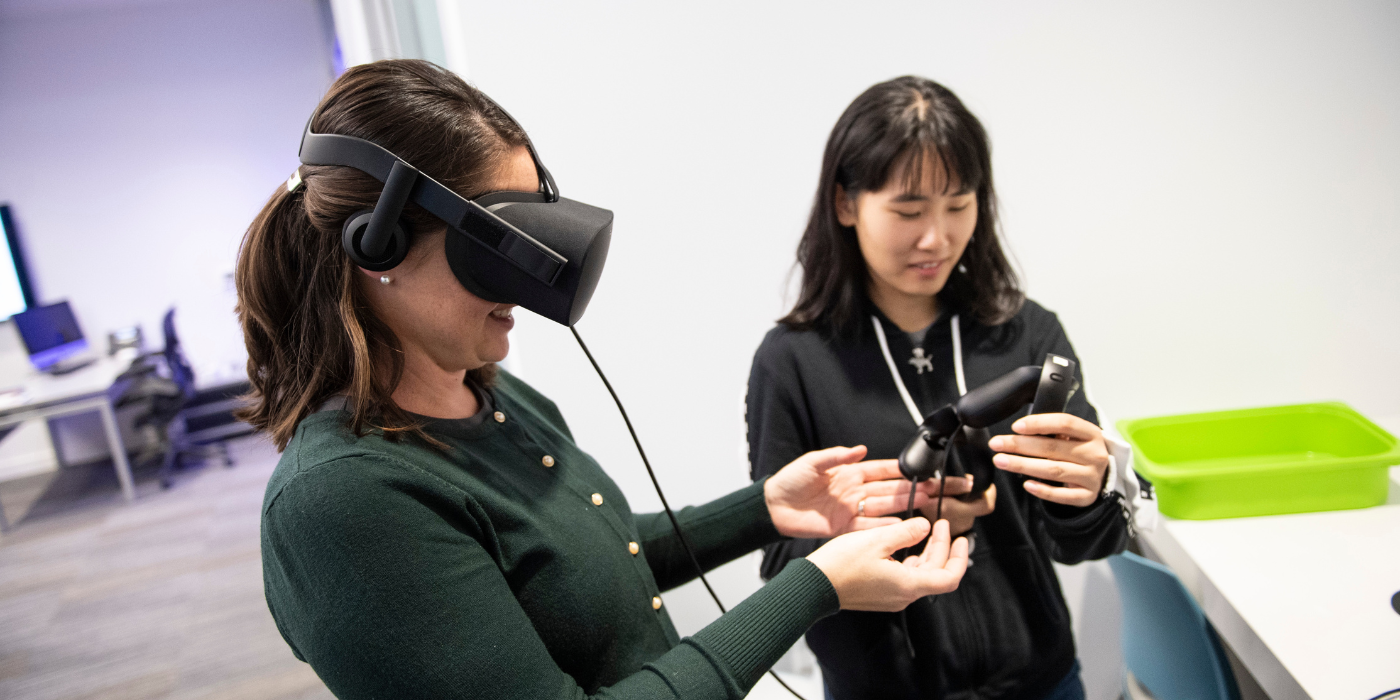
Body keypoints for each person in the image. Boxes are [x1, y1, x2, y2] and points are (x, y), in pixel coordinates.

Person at [237, 60, 971, 700]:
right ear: (379, 243)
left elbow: (597, 565)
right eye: (498, 248)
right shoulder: (343, 503)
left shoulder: (496, 397)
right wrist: (815, 587)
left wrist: (767, 509)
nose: (529, 285)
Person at [745, 76, 1132, 700]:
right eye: (908, 210)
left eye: (958, 205)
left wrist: (1089, 493)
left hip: (1042, 681)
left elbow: (1086, 543)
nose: (937, 238)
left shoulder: (1029, 335)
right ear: (846, 204)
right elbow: (781, 569)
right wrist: (881, 526)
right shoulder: (791, 363)